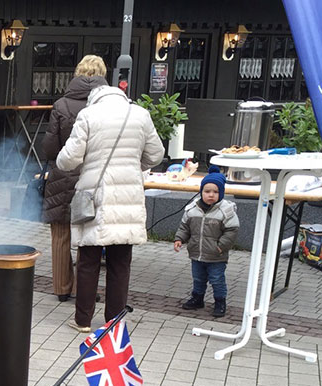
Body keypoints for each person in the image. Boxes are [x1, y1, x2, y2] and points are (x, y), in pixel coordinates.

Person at [56, 85, 164, 333]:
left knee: (88, 261)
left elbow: (69, 158)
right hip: (128, 195)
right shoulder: (140, 114)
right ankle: (114, 322)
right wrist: (134, 166)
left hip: (96, 195)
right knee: (120, 262)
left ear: (94, 98)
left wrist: (73, 163)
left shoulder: (89, 115)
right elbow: (156, 154)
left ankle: (83, 320)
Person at [40, 56, 108, 302]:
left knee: (60, 234)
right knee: (88, 235)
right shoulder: (107, 106)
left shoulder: (62, 104)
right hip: (94, 177)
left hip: (63, 175)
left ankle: (61, 288)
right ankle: (84, 289)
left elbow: (49, 147)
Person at [173, 166, 239, 317]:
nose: (211, 195)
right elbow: (184, 227)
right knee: (198, 278)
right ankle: (197, 298)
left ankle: (220, 301)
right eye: (207, 191)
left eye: (215, 192)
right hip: (197, 253)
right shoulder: (192, 209)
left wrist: (221, 247)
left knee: (217, 279)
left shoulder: (226, 211)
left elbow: (232, 230)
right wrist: (179, 238)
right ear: (201, 192)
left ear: (221, 193)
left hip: (216, 255)